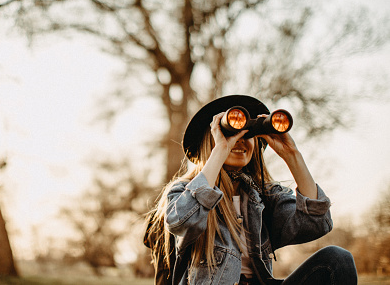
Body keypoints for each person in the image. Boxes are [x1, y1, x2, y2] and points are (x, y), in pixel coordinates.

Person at [144, 95, 357, 285]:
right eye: (232, 133)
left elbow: (316, 223)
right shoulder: (182, 191)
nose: (241, 141)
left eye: (249, 134)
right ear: (212, 140)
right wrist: (220, 150)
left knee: (337, 260)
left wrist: (292, 155)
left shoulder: (263, 195)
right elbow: (182, 221)